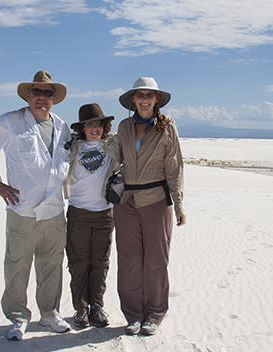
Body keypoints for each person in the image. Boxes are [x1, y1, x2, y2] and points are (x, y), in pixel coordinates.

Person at [0, 70, 72, 340]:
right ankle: (17, 317)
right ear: (28, 95)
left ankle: (50, 313)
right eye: (37, 92)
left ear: (54, 98)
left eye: (47, 93)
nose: (42, 97)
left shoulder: (62, 126)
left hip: (53, 210)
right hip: (22, 209)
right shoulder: (10, 122)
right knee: (17, 264)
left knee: (51, 263)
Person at [114, 77, 186, 336]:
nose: (144, 99)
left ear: (156, 100)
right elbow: (112, 155)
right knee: (128, 260)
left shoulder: (166, 128)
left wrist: (178, 204)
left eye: (149, 95)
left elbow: (175, 167)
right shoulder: (123, 127)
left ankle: (154, 314)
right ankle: (133, 315)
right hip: (126, 203)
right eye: (140, 95)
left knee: (156, 260)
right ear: (133, 99)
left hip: (157, 200)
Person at [64, 103, 121, 329]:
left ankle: (96, 306)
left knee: (100, 261)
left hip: (104, 213)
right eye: (89, 124)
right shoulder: (73, 146)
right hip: (78, 211)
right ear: (82, 128)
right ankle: (81, 308)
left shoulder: (112, 144)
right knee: (78, 262)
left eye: (97, 123)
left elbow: (134, 132)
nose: (94, 128)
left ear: (104, 125)